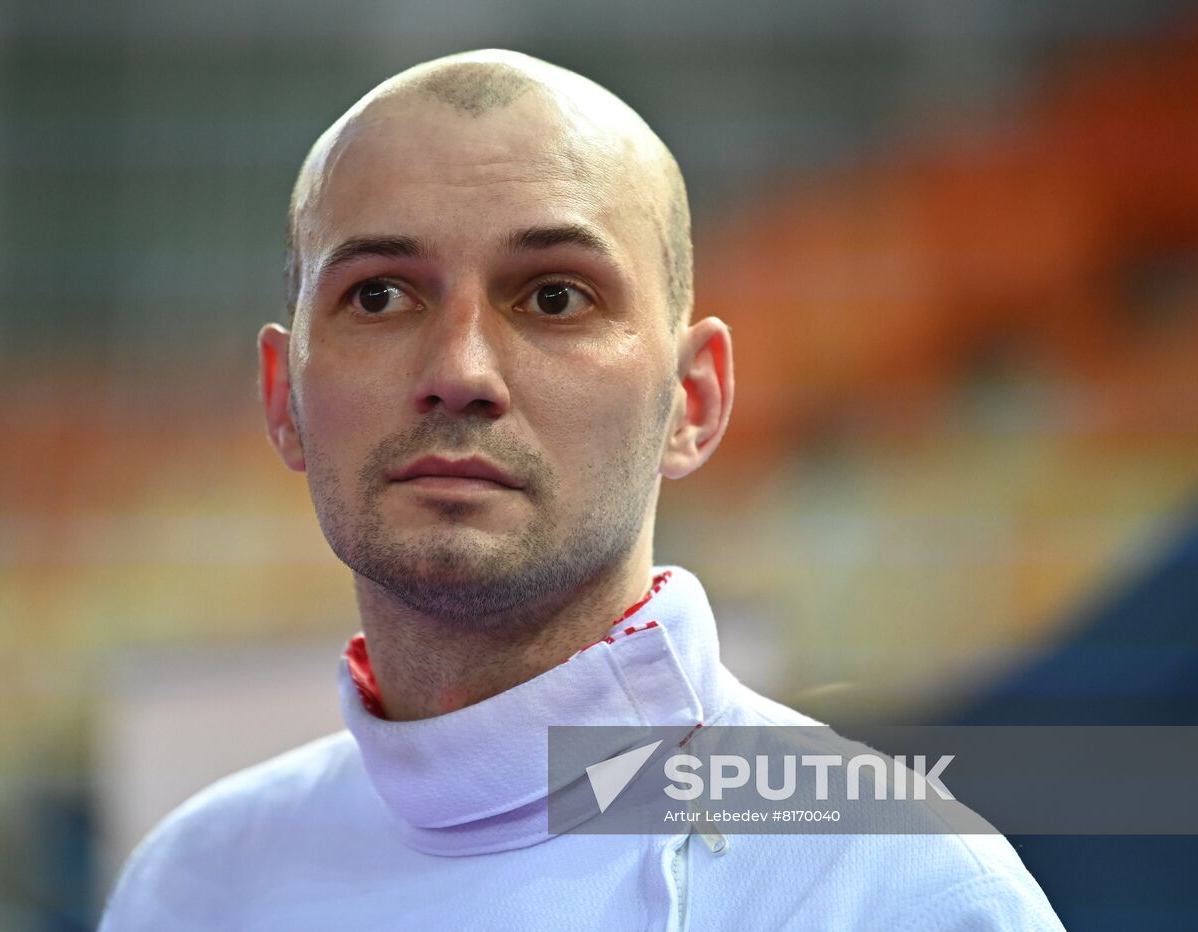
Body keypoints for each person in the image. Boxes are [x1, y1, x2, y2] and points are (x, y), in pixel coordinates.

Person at [99, 49, 1062, 930]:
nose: (461, 368)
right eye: (381, 295)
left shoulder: (899, 885)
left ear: (692, 400)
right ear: (284, 401)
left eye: (555, 295)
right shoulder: (193, 884)